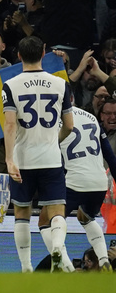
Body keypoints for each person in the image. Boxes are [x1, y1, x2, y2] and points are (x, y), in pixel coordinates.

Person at [2, 36, 75, 272]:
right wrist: (54, 141)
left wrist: (9, 159)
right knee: (56, 211)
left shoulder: (10, 85)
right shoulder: (61, 84)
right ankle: (57, 246)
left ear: (19, 55)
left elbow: (11, 124)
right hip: (51, 158)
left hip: (23, 159)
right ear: (44, 53)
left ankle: (25, 267)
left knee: (22, 213)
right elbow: (70, 126)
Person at [56, 99, 116, 270]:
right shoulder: (91, 118)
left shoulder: (53, 119)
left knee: (50, 222)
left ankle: (67, 268)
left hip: (73, 181)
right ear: (73, 99)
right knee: (85, 217)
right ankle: (104, 260)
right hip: (98, 182)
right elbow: (110, 157)